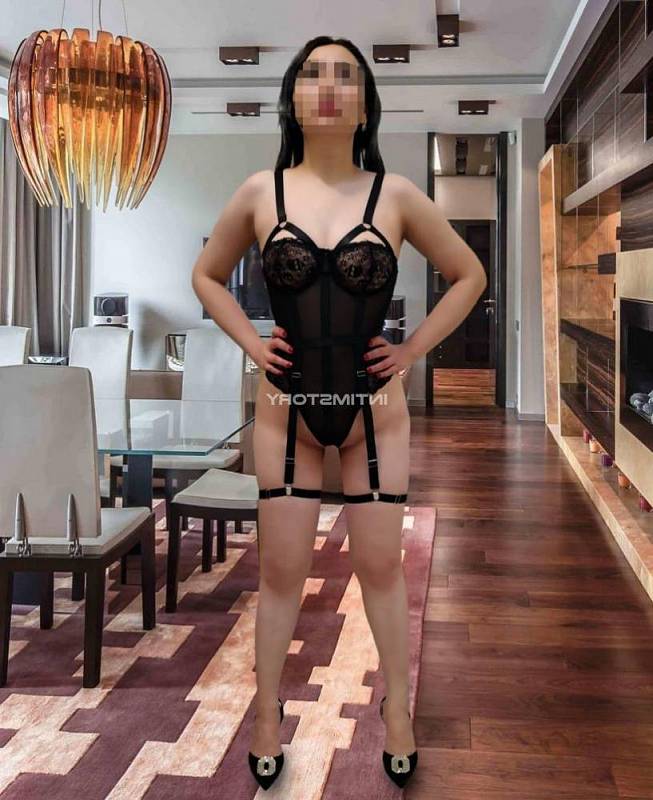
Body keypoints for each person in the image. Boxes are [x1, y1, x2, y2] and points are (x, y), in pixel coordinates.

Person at [192, 34, 487, 791]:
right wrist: (253, 346)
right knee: (280, 573)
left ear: (364, 104)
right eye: (313, 73)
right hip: (285, 410)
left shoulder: (397, 195)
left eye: (345, 75)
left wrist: (411, 349)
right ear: (293, 97)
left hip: (374, 411)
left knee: (381, 569)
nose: (328, 86)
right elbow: (207, 275)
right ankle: (266, 714)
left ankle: (397, 710)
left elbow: (468, 274)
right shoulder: (261, 193)